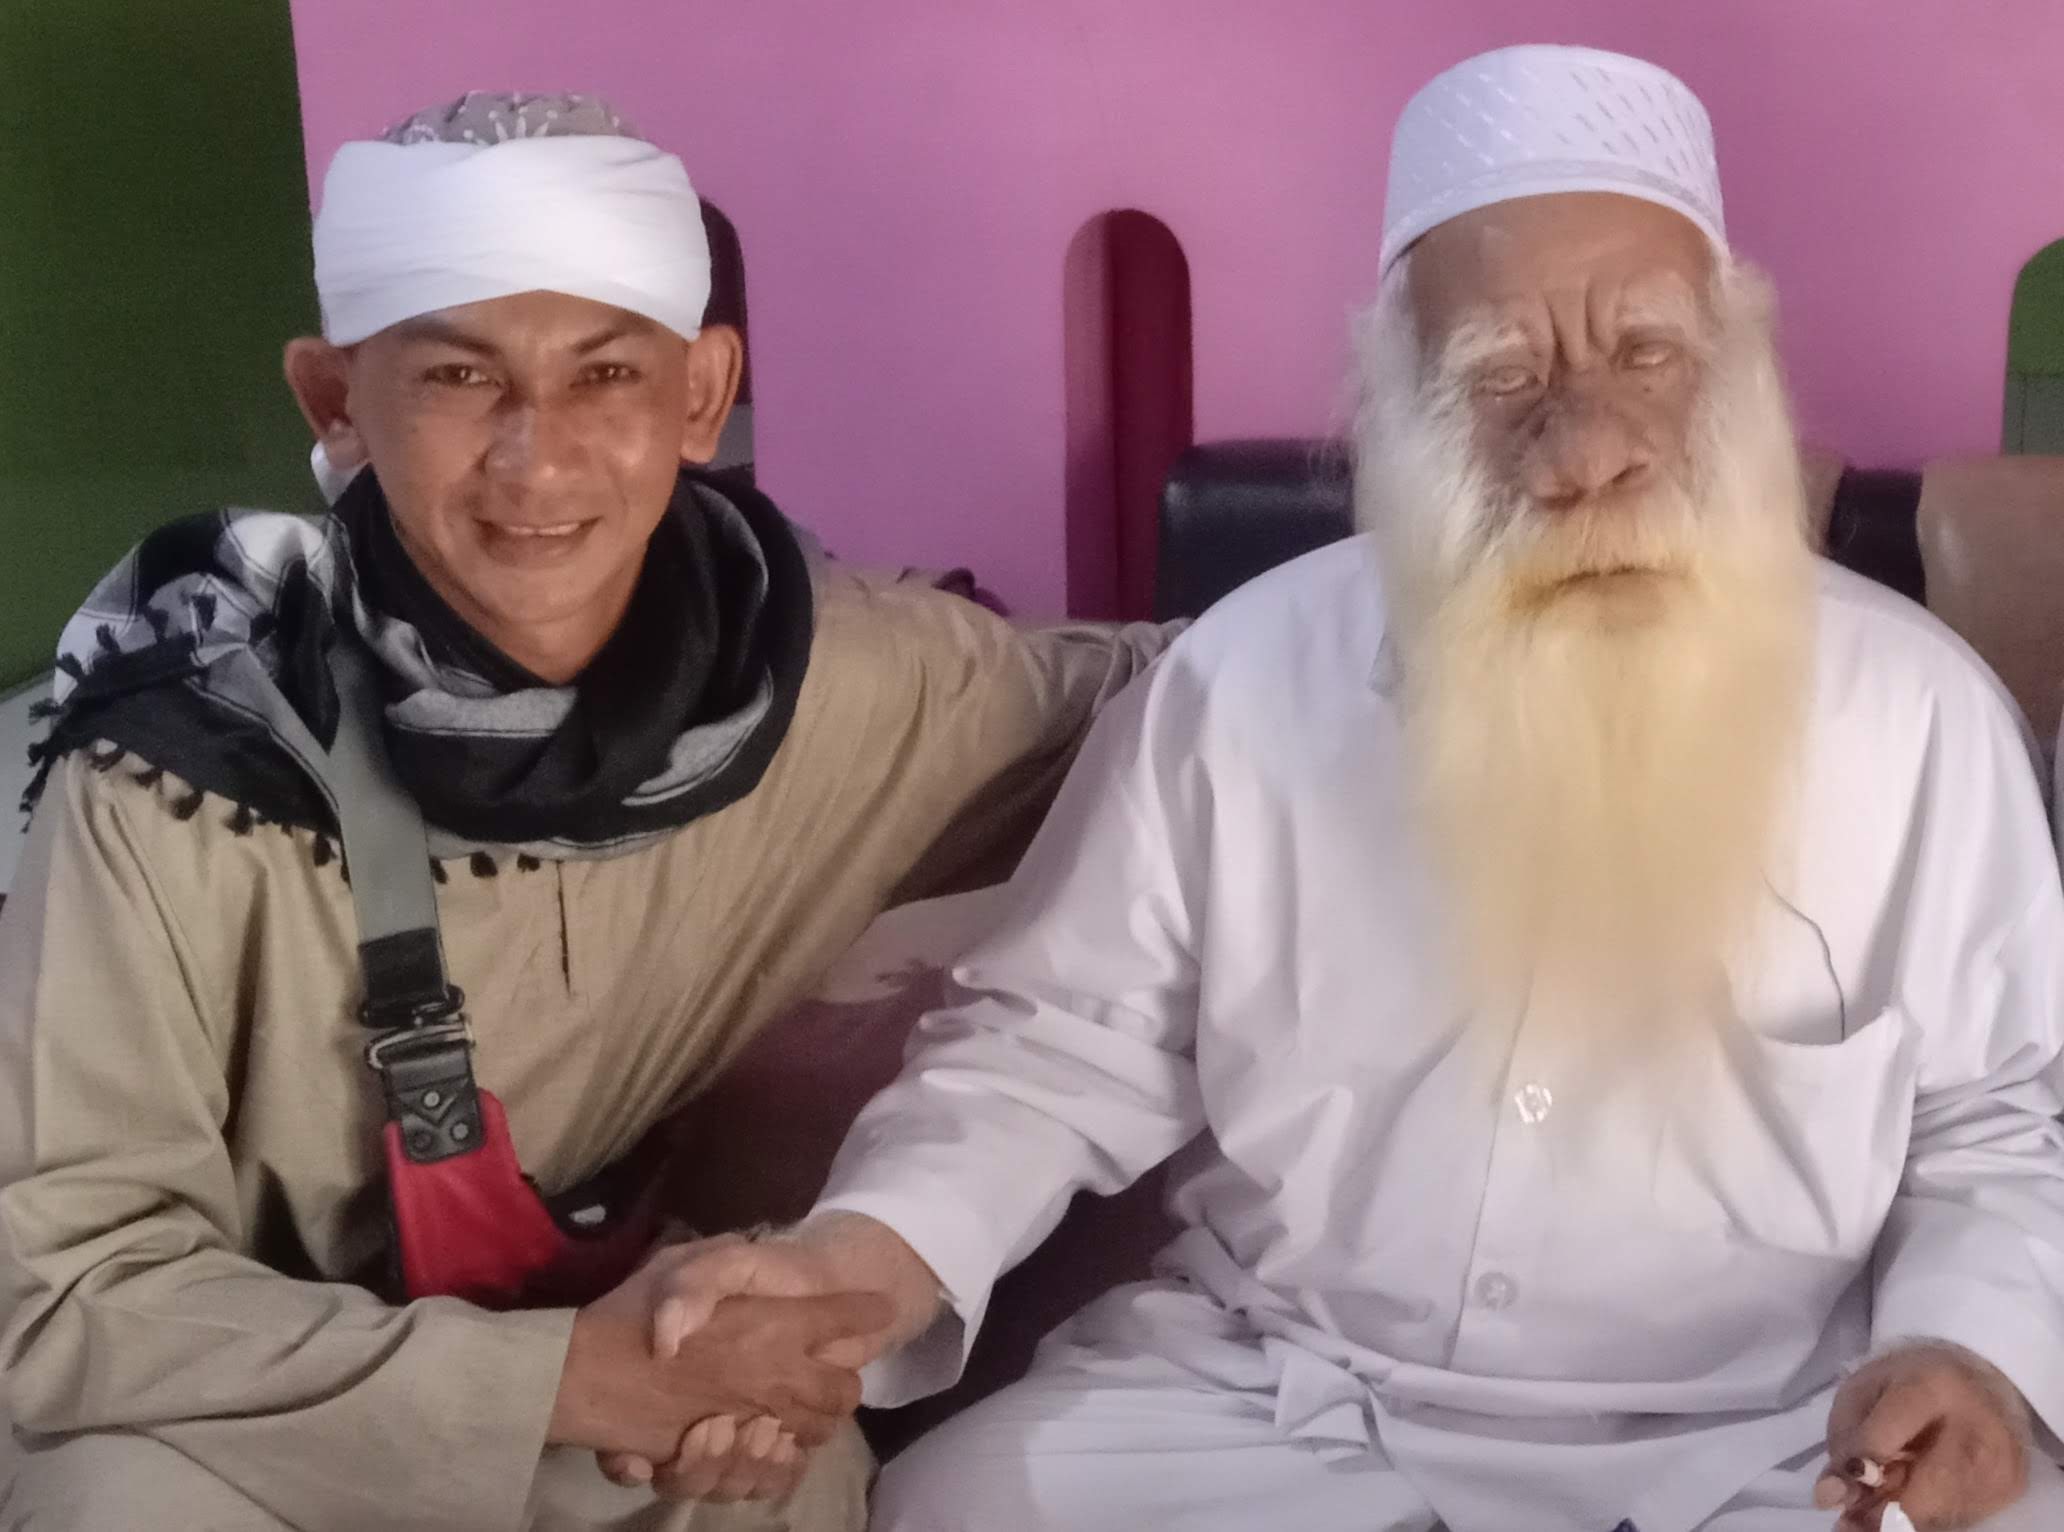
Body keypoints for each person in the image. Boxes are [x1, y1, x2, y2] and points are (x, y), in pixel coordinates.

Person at [642, 46, 2064, 1532]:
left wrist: (1963, 1356)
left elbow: (1994, 1126)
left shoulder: (1917, 717)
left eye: (1644, 355)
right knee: (955, 1510)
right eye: (1505, 379)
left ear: (1736, 365)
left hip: (1769, 1438)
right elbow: (1053, 1047)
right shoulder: (1241, 680)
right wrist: (866, 1255)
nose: (1586, 450)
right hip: (1286, 1398)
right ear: (1400, 403)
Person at [0, 92, 1164, 1531]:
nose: (535, 459)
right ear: (335, 403)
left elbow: (1196, 692)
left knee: (781, 1478)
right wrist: (565, 1381)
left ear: (703, 393)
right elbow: (65, 1289)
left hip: (604, 1355)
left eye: (606, 373)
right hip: (235, 1413)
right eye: (457, 376)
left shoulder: (832, 685)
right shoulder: (183, 763)